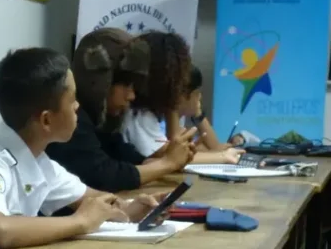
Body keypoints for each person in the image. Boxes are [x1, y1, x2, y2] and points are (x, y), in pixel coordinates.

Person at [0, 48, 162, 249]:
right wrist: (79, 222)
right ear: (46, 120)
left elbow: (93, 201)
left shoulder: (37, 161)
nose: (78, 107)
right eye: (72, 99)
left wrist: (131, 208)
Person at [46, 28, 195, 192]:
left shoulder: (101, 120)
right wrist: (167, 163)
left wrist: (172, 158)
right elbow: (103, 175)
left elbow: (127, 159)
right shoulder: (71, 118)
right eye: (126, 85)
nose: (132, 96)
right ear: (100, 82)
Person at [122, 34, 243, 165]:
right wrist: (223, 157)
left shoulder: (152, 114)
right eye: (177, 82)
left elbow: (196, 149)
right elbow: (170, 156)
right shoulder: (140, 115)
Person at [167, 65, 243, 161]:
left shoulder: (179, 117)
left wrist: (198, 114)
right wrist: (223, 156)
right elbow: (175, 156)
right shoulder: (162, 120)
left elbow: (214, 147)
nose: (200, 97)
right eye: (197, 92)